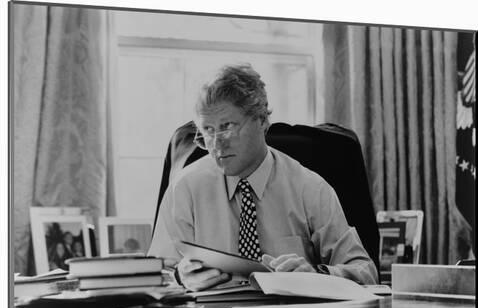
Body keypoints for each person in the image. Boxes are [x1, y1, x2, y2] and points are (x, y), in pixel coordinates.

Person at [149, 64, 378, 291]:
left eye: (227, 126)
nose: (217, 144)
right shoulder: (185, 188)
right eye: (208, 130)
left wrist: (317, 275)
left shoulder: (309, 187)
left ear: (261, 120)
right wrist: (180, 277)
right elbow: (155, 278)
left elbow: (365, 271)